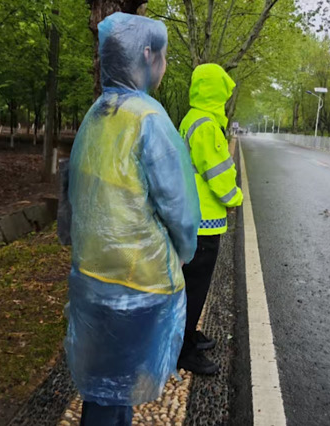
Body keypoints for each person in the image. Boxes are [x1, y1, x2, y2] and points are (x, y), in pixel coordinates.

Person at [65, 12, 201, 426]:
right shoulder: (149, 120)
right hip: (137, 282)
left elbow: (72, 191)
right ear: (146, 55)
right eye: (164, 56)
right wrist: (185, 250)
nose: (165, 65)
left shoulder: (95, 115)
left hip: (90, 277)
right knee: (113, 389)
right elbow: (178, 205)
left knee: (106, 386)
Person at [177, 63, 244, 375]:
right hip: (203, 222)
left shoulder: (193, 118)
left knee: (190, 286)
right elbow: (218, 172)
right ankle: (184, 350)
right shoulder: (206, 125)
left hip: (191, 216)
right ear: (216, 91)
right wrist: (235, 198)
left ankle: (188, 335)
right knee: (194, 288)